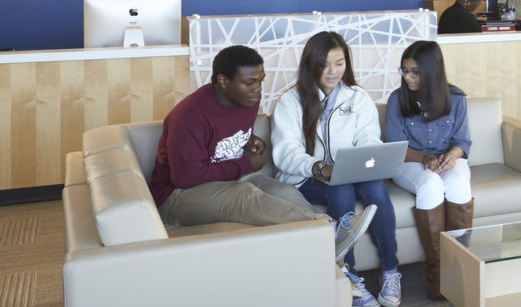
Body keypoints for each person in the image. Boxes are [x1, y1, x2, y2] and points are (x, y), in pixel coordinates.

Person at [147, 45, 374, 265]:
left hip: (224, 179)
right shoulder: (188, 118)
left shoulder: (247, 99)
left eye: (260, 81)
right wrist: (246, 163)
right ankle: (329, 232)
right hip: (178, 196)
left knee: (284, 190)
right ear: (223, 81)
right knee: (243, 195)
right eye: (250, 83)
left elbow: (224, 127)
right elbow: (186, 177)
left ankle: (327, 260)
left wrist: (248, 139)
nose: (258, 89)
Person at [273, 31, 402, 307]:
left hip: (349, 172)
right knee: (340, 188)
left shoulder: (357, 97)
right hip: (305, 178)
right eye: (325, 64)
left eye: (340, 62)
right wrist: (318, 167)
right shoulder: (290, 101)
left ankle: (390, 271)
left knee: (376, 189)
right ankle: (348, 276)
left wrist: (360, 161)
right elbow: (285, 153)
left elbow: (369, 139)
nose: (333, 71)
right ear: (311, 64)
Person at [384, 40, 473, 299]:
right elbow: (395, 147)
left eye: (414, 72)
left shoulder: (456, 98)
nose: (407, 77)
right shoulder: (396, 100)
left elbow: (463, 142)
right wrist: (425, 158)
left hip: (449, 159)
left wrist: (453, 156)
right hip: (409, 162)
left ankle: (459, 265)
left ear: (432, 71)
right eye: (404, 70)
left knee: (458, 185)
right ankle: (437, 271)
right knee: (430, 183)